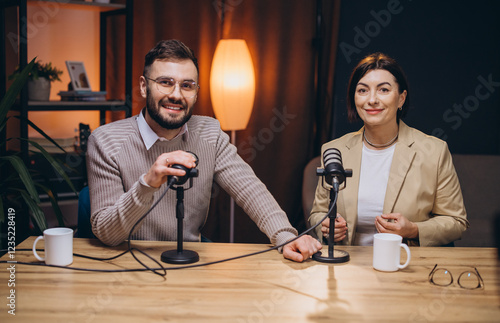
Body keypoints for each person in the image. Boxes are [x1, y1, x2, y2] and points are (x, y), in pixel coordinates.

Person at [86, 39, 321, 262]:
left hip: (189, 257)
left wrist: (285, 236)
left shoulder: (209, 132)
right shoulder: (106, 141)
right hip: (128, 261)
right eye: (165, 82)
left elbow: (249, 189)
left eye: (186, 86)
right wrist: (148, 183)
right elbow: (107, 233)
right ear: (144, 87)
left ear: (196, 92)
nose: (176, 95)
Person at [309, 53, 469, 247]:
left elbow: (456, 222)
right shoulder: (335, 150)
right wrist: (325, 226)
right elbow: (317, 213)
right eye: (362, 90)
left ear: (401, 98)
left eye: (383, 90)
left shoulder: (434, 151)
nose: (372, 99)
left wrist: (414, 230)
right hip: (348, 267)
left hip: (406, 266)